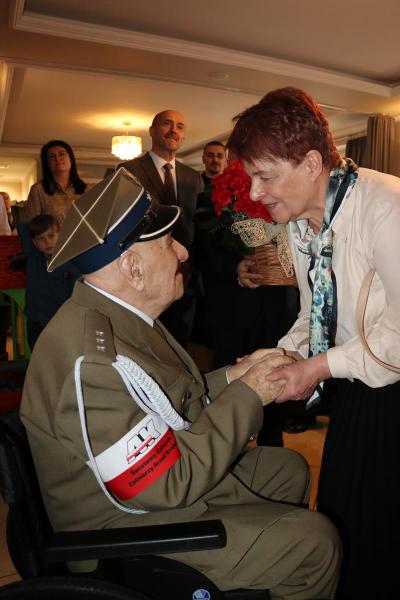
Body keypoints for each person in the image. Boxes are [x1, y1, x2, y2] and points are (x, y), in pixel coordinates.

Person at [21, 167, 341, 600]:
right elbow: (166, 482)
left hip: (153, 497)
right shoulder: (90, 361)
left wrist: (236, 376)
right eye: (168, 243)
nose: (184, 252)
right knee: (315, 544)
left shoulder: (118, 317)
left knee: (288, 470)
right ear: (132, 268)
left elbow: (168, 397)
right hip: (127, 531)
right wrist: (250, 393)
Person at [227, 86, 400, 599]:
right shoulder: (302, 226)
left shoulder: (386, 207)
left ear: (309, 163)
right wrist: (284, 356)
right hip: (359, 380)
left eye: (264, 175)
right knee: (345, 511)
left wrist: (318, 367)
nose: (254, 193)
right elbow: (313, 312)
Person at [119, 110, 203, 346]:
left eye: (180, 126)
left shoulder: (193, 177)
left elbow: (198, 225)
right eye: (167, 123)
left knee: (182, 342)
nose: (173, 130)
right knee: (149, 343)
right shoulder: (128, 170)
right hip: (147, 277)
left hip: (185, 278)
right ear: (152, 131)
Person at [18, 214, 80, 349]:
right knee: (37, 356)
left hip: (60, 322)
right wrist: (46, 221)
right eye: (41, 239)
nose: (47, 242)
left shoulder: (70, 261)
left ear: (60, 234)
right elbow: (22, 227)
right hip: (35, 322)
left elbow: (76, 295)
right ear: (34, 243)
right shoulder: (34, 256)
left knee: (59, 357)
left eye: (51, 236)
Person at [23, 139, 87, 224]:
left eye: (62, 154)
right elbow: (30, 224)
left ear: (70, 158)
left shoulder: (86, 190)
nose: (57, 158)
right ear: (47, 163)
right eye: (52, 156)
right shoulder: (38, 190)